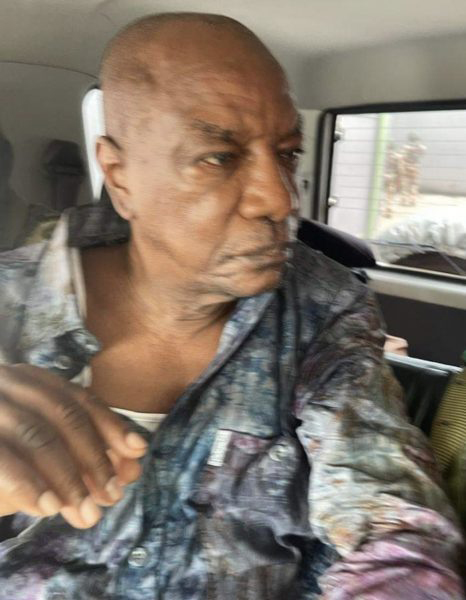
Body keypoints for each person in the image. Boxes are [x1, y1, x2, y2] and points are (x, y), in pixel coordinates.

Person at [0, 13, 462, 600]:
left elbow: (391, 518)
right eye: (218, 156)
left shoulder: (324, 310)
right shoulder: (10, 303)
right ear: (119, 176)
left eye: (287, 154)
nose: (280, 199)